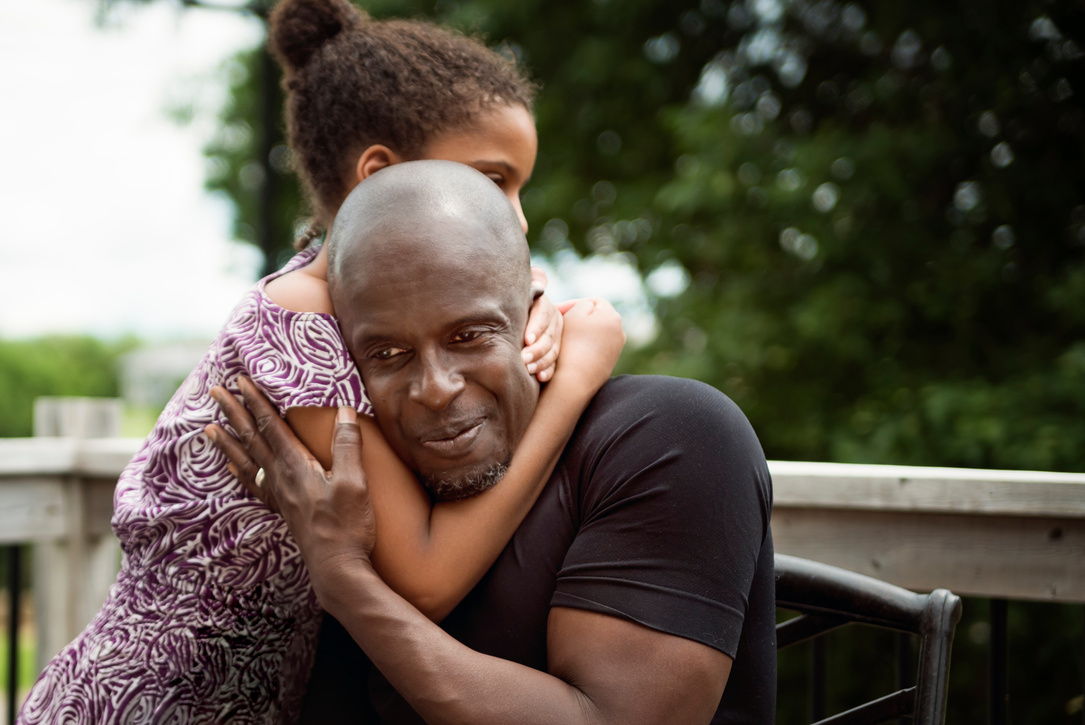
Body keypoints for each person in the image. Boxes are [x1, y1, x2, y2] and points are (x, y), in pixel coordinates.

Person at [17, 1, 626, 723]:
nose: (516, 219)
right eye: (494, 182)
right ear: (377, 174)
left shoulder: (365, 308)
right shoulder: (301, 322)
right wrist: (577, 376)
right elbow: (425, 577)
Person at [211, 160, 777, 723]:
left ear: (534, 310)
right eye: (387, 354)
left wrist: (345, 579)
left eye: (468, 336)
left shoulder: (669, 436)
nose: (434, 389)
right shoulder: (365, 490)